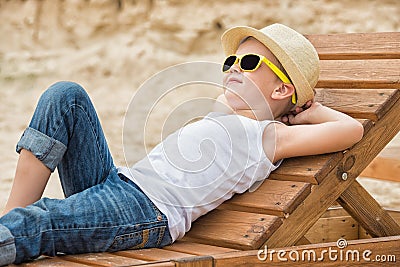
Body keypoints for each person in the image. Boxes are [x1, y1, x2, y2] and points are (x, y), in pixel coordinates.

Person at [0, 23, 364, 265]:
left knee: (43, 222)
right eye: (231, 61)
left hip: (145, 212)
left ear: (282, 88)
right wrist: (258, 90)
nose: (234, 68)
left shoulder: (270, 137)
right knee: (67, 96)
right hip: (120, 184)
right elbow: (236, 95)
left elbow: (351, 131)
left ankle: (12, 229)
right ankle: (8, 218)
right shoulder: (225, 113)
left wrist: (305, 112)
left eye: (249, 62)